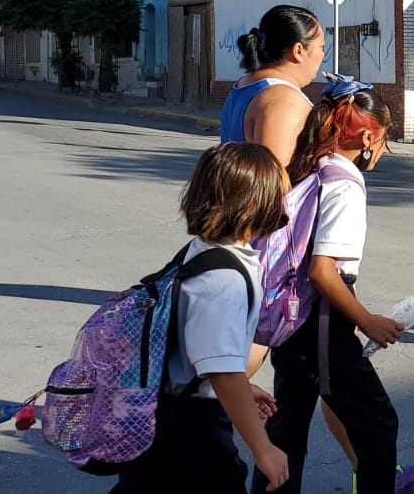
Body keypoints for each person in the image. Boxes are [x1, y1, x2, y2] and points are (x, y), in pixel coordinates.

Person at [260, 76, 414, 494]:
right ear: (368, 136)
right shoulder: (345, 183)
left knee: (288, 427)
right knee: (377, 424)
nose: (383, 148)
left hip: (295, 315)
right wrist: (366, 320)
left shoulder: (311, 166)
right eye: (385, 139)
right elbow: (323, 270)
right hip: (320, 321)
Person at [111, 142, 291, 493]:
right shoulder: (223, 279)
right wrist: (263, 448)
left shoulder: (201, 253)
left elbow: (199, 351)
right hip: (190, 433)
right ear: (255, 204)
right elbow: (222, 371)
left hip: (166, 415)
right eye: (278, 196)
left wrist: (236, 387)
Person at [220, 5, 326, 158]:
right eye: (321, 47)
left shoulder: (244, 85)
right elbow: (276, 176)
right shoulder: (284, 100)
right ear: (298, 51)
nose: (323, 54)